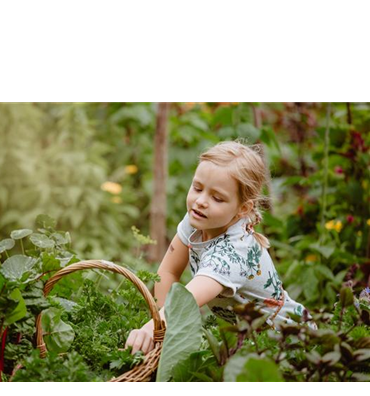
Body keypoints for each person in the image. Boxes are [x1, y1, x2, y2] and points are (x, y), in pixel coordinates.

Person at [125, 140, 317, 355]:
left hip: (289, 341)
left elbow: (186, 301)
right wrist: (160, 329)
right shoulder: (198, 220)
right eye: (197, 188)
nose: (200, 201)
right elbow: (168, 272)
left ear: (243, 208)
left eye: (217, 198)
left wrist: (153, 328)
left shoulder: (234, 253)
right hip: (249, 340)